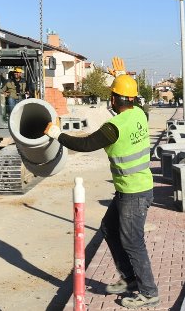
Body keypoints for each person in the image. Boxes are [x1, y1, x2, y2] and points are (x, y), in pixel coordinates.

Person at [44, 74, 159, 308]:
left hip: (133, 193)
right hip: (134, 188)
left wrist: (57, 134)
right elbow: (142, 105)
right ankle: (128, 279)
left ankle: (148, 292)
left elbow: (85, 144)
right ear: (133, 99)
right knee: (109, 228)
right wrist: (123, 76)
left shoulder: (113, 127)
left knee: (133, 241)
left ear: (115, 99)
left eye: (113, 96)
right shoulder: (140, 115)